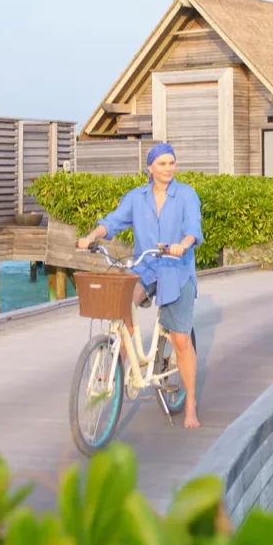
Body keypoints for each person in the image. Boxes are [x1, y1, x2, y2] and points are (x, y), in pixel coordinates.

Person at [76, 143, 205, 429]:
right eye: (162, 164)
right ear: (150, 168)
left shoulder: (185, 195)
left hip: (176, 270)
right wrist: (91, 237)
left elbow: (193, 230)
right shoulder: (137, 198)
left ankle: (191, 405)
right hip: (145, 267)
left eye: (172, 163)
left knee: (180, 340)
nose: (169, 168)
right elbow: (112, 222)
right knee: (121, 307)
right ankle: (120, 370)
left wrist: (182, 246)